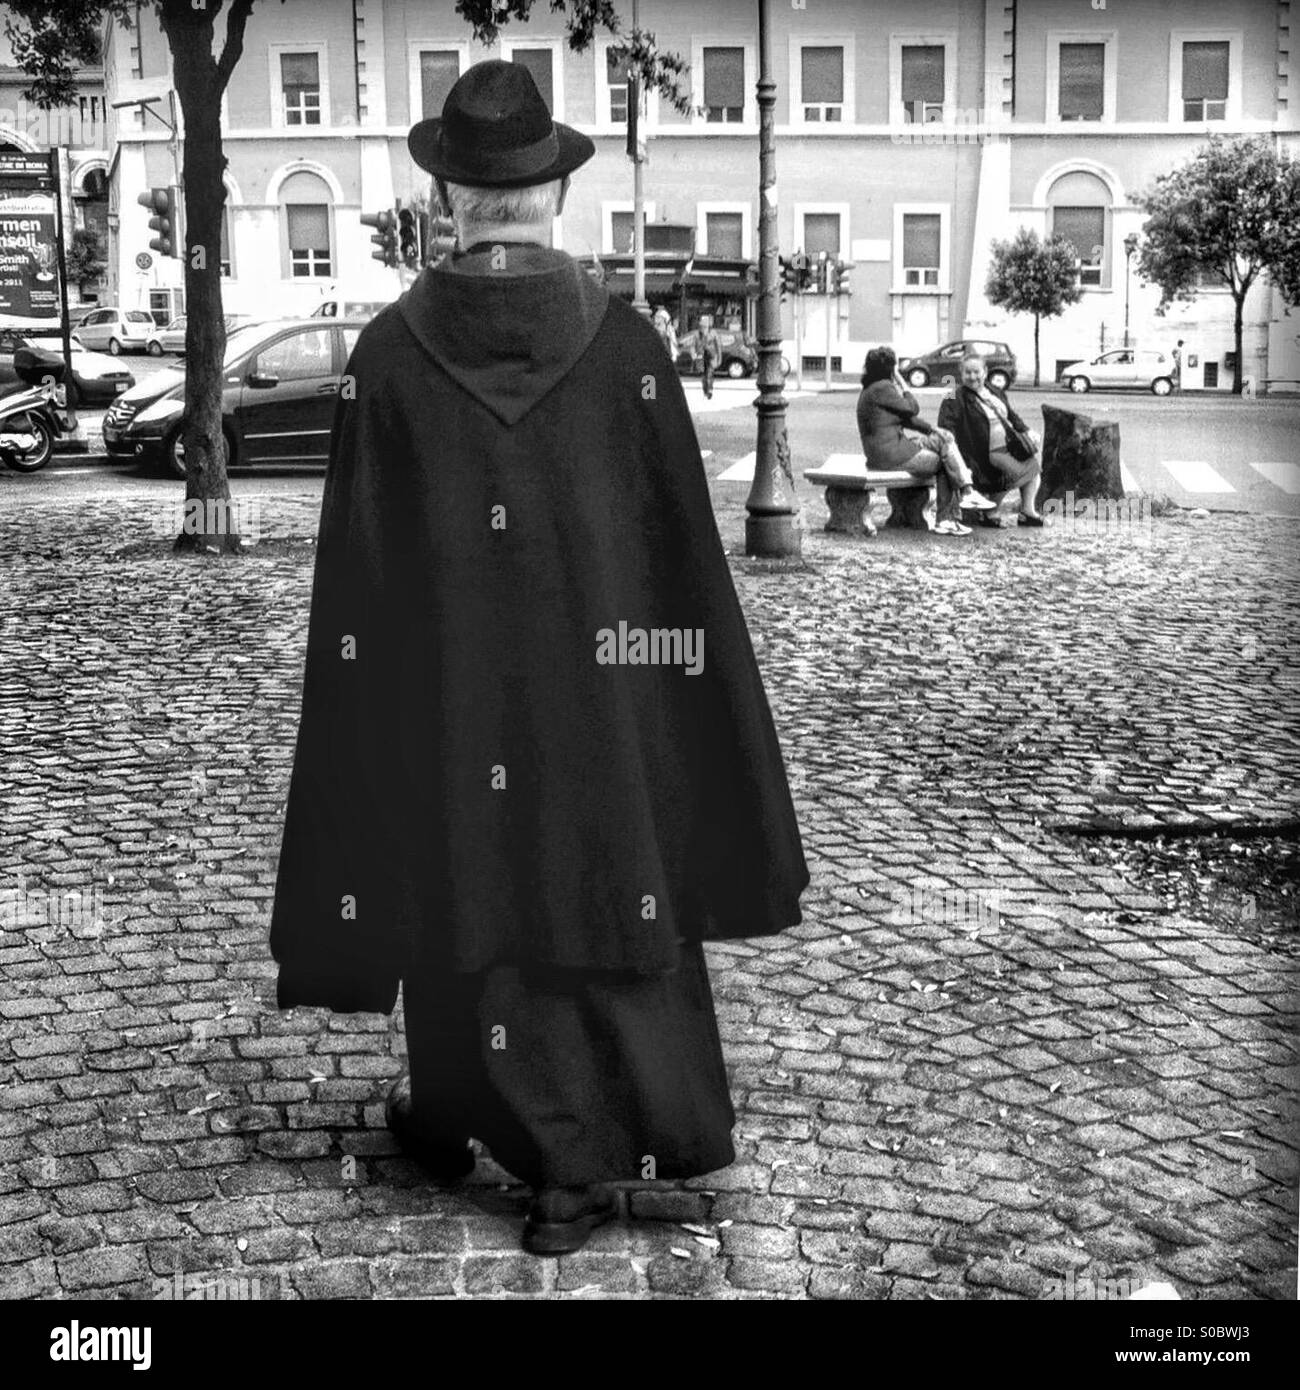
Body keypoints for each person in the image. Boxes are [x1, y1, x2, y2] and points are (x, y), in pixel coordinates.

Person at [268, 60, 809, 1259]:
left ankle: (501, 1127)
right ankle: (562, 1154)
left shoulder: (389, 359)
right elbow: (680, 567)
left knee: (463, 875)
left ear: (449, 196)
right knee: (605, 874)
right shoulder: (628, 351)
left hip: (450, 704)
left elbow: (359, 571)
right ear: (553, 192)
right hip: (607, 709)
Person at [856, 345, 997, 535]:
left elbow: (907, 419)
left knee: (944, 440)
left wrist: (934, 430)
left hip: (890, 451)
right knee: (943, 461)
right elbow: (912, 408)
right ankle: (952, 512)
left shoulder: (871, 389)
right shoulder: (883, 388)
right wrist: (902, 384)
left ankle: (965, 495)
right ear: (891, 368)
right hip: (892, 456)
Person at [937, 352, 1045, 526]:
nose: (972, 377)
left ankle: (1027, 511)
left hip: (1008, 447)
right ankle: (990, 512)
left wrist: (1027, 430)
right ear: (961, 374)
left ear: (985, 372)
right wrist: (958, 458)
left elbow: (1011, 415)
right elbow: (946, 429)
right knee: (1013, 473)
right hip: (982, 454)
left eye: (976, 372)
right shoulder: (954, 397)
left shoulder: (994, 391)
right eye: (968, 373)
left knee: (1033, 467)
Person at [700, 315, 722, 399]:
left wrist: (719, 358)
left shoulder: (713, 333)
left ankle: (709, 390)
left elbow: (718, 346)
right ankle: (705, 390)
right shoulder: (700, 333)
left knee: (709, 373)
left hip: (712, 356)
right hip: (703, 356)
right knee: (703, 375)